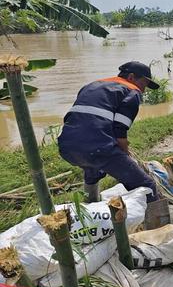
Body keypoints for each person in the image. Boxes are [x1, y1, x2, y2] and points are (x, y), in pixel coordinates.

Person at [58, 62, 160, 203]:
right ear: (131, 77)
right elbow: (120, 130)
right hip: (98, 147)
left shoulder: (91, 86)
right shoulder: (132, 91)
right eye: (144, 84)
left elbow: (85, 119)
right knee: (147, 186)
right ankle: (156, 223)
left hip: (67, 147)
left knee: (93, 170)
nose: (143, 90)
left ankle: (90, 207)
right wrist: (126, 153)